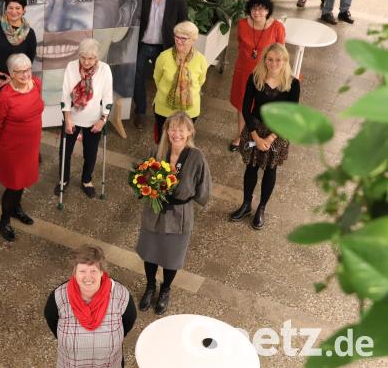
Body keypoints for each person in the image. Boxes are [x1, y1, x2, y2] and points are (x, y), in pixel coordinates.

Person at [136, 112, 212, 315]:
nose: (176, 133)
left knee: (172, 256)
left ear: (189, 132)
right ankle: (150, 285)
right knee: (150, 253)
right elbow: (142, 175)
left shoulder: (196, 157)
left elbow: (203, 188)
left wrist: (194, 197)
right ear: (166, 131)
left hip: (180, 214)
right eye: (172, 129)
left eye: (181, 129)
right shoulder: (157, 151)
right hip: (155, 210)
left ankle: (165, 289)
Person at [229, 43, 300, 230]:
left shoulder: (293, 84)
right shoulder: (255, 78)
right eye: (270, 59)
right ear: (264, 60)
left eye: (278, 59)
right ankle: (246, 205)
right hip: (255, 129)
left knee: (270, 169)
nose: (273, 63)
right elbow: (246, 108)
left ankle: (261, 208)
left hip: (278, 133)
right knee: (251, 168)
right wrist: (255, 136)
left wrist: (269, 139)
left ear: (285, 61)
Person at [44, 245, 137, 368]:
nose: (88, 277)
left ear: (102, 272)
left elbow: (129, 320)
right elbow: (51, 320)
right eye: (82, 271)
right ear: (74, 273)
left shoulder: (121, 295)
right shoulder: (58, 297)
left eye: (93, 270)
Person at [0, 53, 44, 242]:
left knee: (23, 181)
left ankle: (16, 208)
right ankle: (4, 220)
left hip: (31, 145)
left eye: (27, 69)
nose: (25, 75)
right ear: (11, 74)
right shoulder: (5, 96)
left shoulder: (36, 83)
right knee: (13, 185)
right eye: (19, 72)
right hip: (12, 149)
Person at [133, 0, 188, 130]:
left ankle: (163, 113)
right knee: (137, 77)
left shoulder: (178, 0)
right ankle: (140, 111)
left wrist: (181, 49)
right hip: (142, 45)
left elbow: (184, 24)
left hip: (165, 48)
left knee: (167, 80)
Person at [57, 38, 113, 199]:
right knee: (65, 151)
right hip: (71, 118)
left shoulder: (105, 69)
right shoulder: (71, 67)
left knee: (91, 153)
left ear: (97, 58)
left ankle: (87, 180)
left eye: (90, 58)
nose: (86, 62)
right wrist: (67, 119)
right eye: (83, 57)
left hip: (94, 120)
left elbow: (108, 99)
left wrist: (102, 120)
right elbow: (66, 95)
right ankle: (63, 179)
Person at [228, 0, 285, 151]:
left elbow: (280, 52)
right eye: (254, 8)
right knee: (242, 104)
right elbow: (240, 45)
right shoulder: (242, 24)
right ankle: (241, 136)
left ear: (268, 11)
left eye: (261, 9)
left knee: (262, 105)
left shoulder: (277, 27)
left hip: (266, 73)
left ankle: (261, 137)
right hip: (244, 71)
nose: (257, 12)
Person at [151, 21, 208, 143]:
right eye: (176, 37)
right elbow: (157, 77)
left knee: (183, 141)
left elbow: (200, 81)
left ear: (193, 40)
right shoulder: (164, 56)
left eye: (184, 38)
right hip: (164, 108)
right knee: (163, 140)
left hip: (189, 111)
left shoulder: (201, 60)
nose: (178, 41)